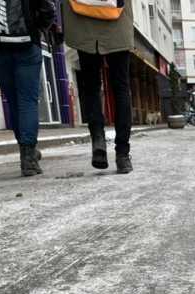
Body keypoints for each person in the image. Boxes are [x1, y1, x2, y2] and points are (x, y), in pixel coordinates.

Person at [0, 0, 55, 177]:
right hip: (27, 45)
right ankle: (28, 155)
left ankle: (26, 150)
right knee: (27, 102)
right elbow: (47, 9)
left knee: (14, 101)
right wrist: (37, 29)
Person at [62, 0, 134, 174]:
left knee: (91, 86)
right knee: (121, 87)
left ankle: (98, 141)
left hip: (82, 20)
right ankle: (122, 155)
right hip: (117, 20)